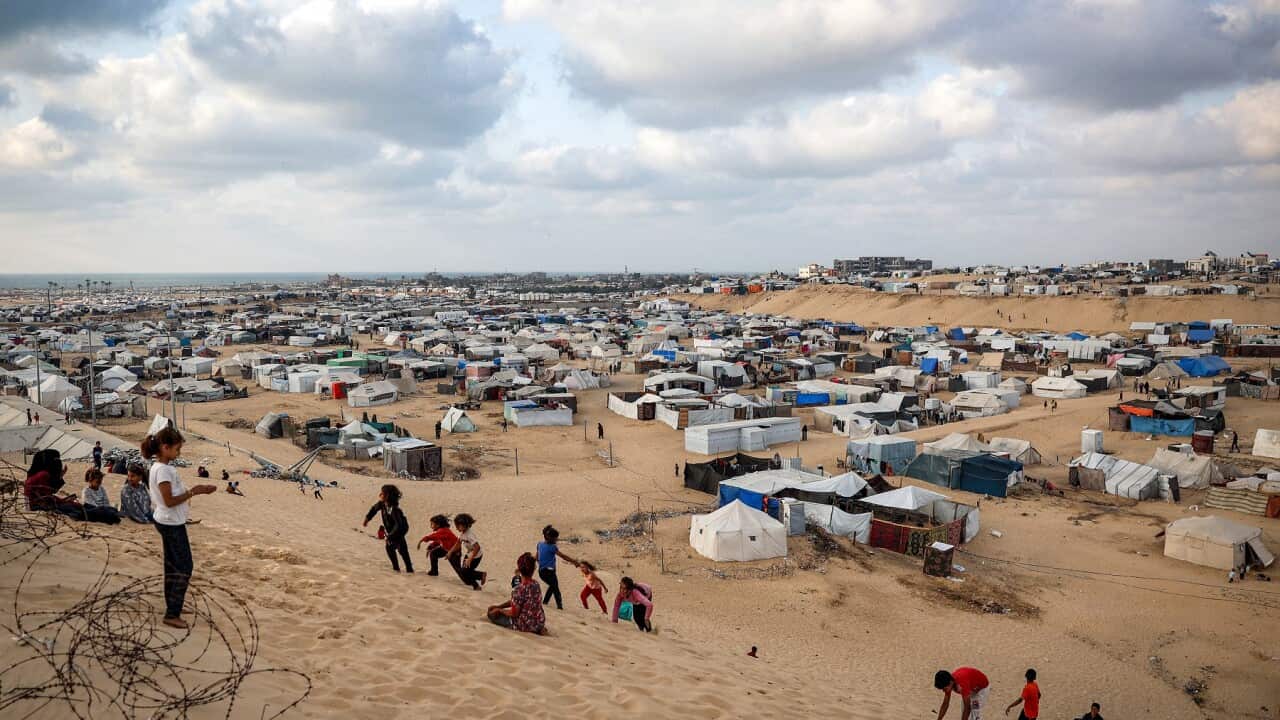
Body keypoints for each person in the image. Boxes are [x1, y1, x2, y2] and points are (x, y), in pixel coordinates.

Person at [144, 426, 216, 629]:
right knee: (184, 566)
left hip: (168, 520)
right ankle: (172, 613)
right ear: (165, 448)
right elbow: (168, 500)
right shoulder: (163, 470)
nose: (179, 453)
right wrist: (195, 491)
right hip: (170, 522)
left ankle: (174, 605)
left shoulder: (161, 468)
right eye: (177, 449)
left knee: (173, 565)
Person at [486, 552, 546, 634]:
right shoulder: (536, 584)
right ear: (534, 569)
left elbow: (514, 613)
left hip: (523, 624)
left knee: (491, 614)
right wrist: (499, 606)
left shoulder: (519, 589)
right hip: (539, 621)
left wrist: (500, 610)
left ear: (519, 569)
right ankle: (539, 629)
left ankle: (529, 629)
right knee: (495, 610)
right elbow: (517, 601)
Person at [362, 484, 413, 573]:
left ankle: (407, 569)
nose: (379, 495)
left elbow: (399, 525)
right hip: (392, 530)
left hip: (400, 530)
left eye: (382, 493)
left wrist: (390, 536)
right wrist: (367, 518)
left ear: (388, 496)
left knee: (401, 550)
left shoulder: (394, 509)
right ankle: (397, 568)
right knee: (392, 548)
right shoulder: (382, 504)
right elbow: (374, 509)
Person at [536, 525, 578, 610]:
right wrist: (574, 562)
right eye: (555, 538)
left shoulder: (539, 544)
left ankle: (545, 602)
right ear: (550, 538)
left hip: (541, 571)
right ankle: (560, 607)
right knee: (555, 588)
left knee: (552, 586)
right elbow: (563, 556)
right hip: (549, 572)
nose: (556, 540)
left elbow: (537, 556)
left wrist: (540, 563)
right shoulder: (552, 547)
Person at [448, 513, 486, 590]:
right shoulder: (462, 534)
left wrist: (470, 559)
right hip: (469, 554)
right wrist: (450, 552)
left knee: (466, 572)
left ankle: (480, 576)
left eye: (457, 526)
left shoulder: (469, 535)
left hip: (476, 556)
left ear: (463, 525)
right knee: (464, 572)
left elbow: (477, 547)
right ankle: (477, 582)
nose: (456, 528)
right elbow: (458, 544)